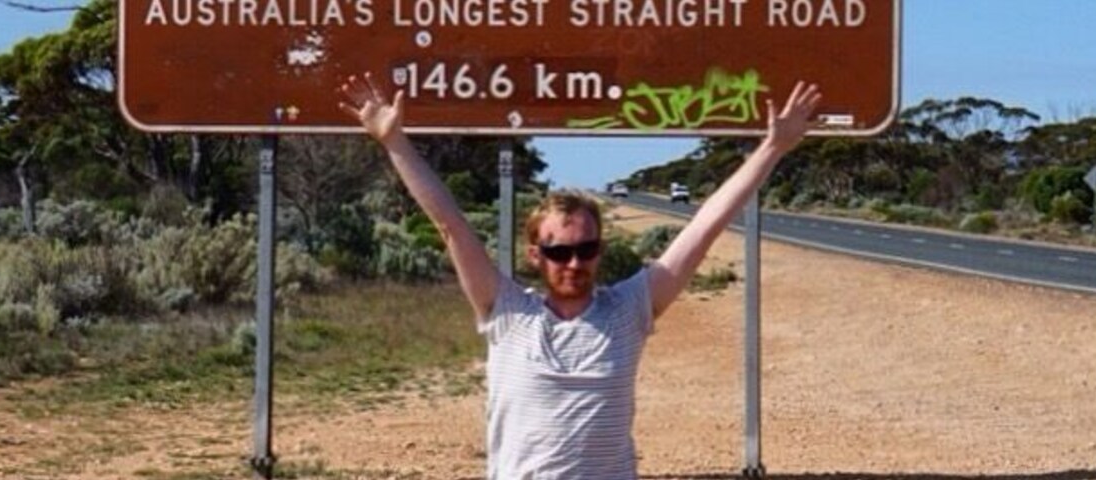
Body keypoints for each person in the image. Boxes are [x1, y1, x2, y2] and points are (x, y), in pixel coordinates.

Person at [337, 73, 822, 479]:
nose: (573, 262)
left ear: (599, 251)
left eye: (585, 248)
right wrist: (394, 141)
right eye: (559, 250)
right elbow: (450, 226)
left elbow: (706, 225)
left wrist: (773, 148)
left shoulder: (630, 309)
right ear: (535, 255)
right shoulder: (505, 310)